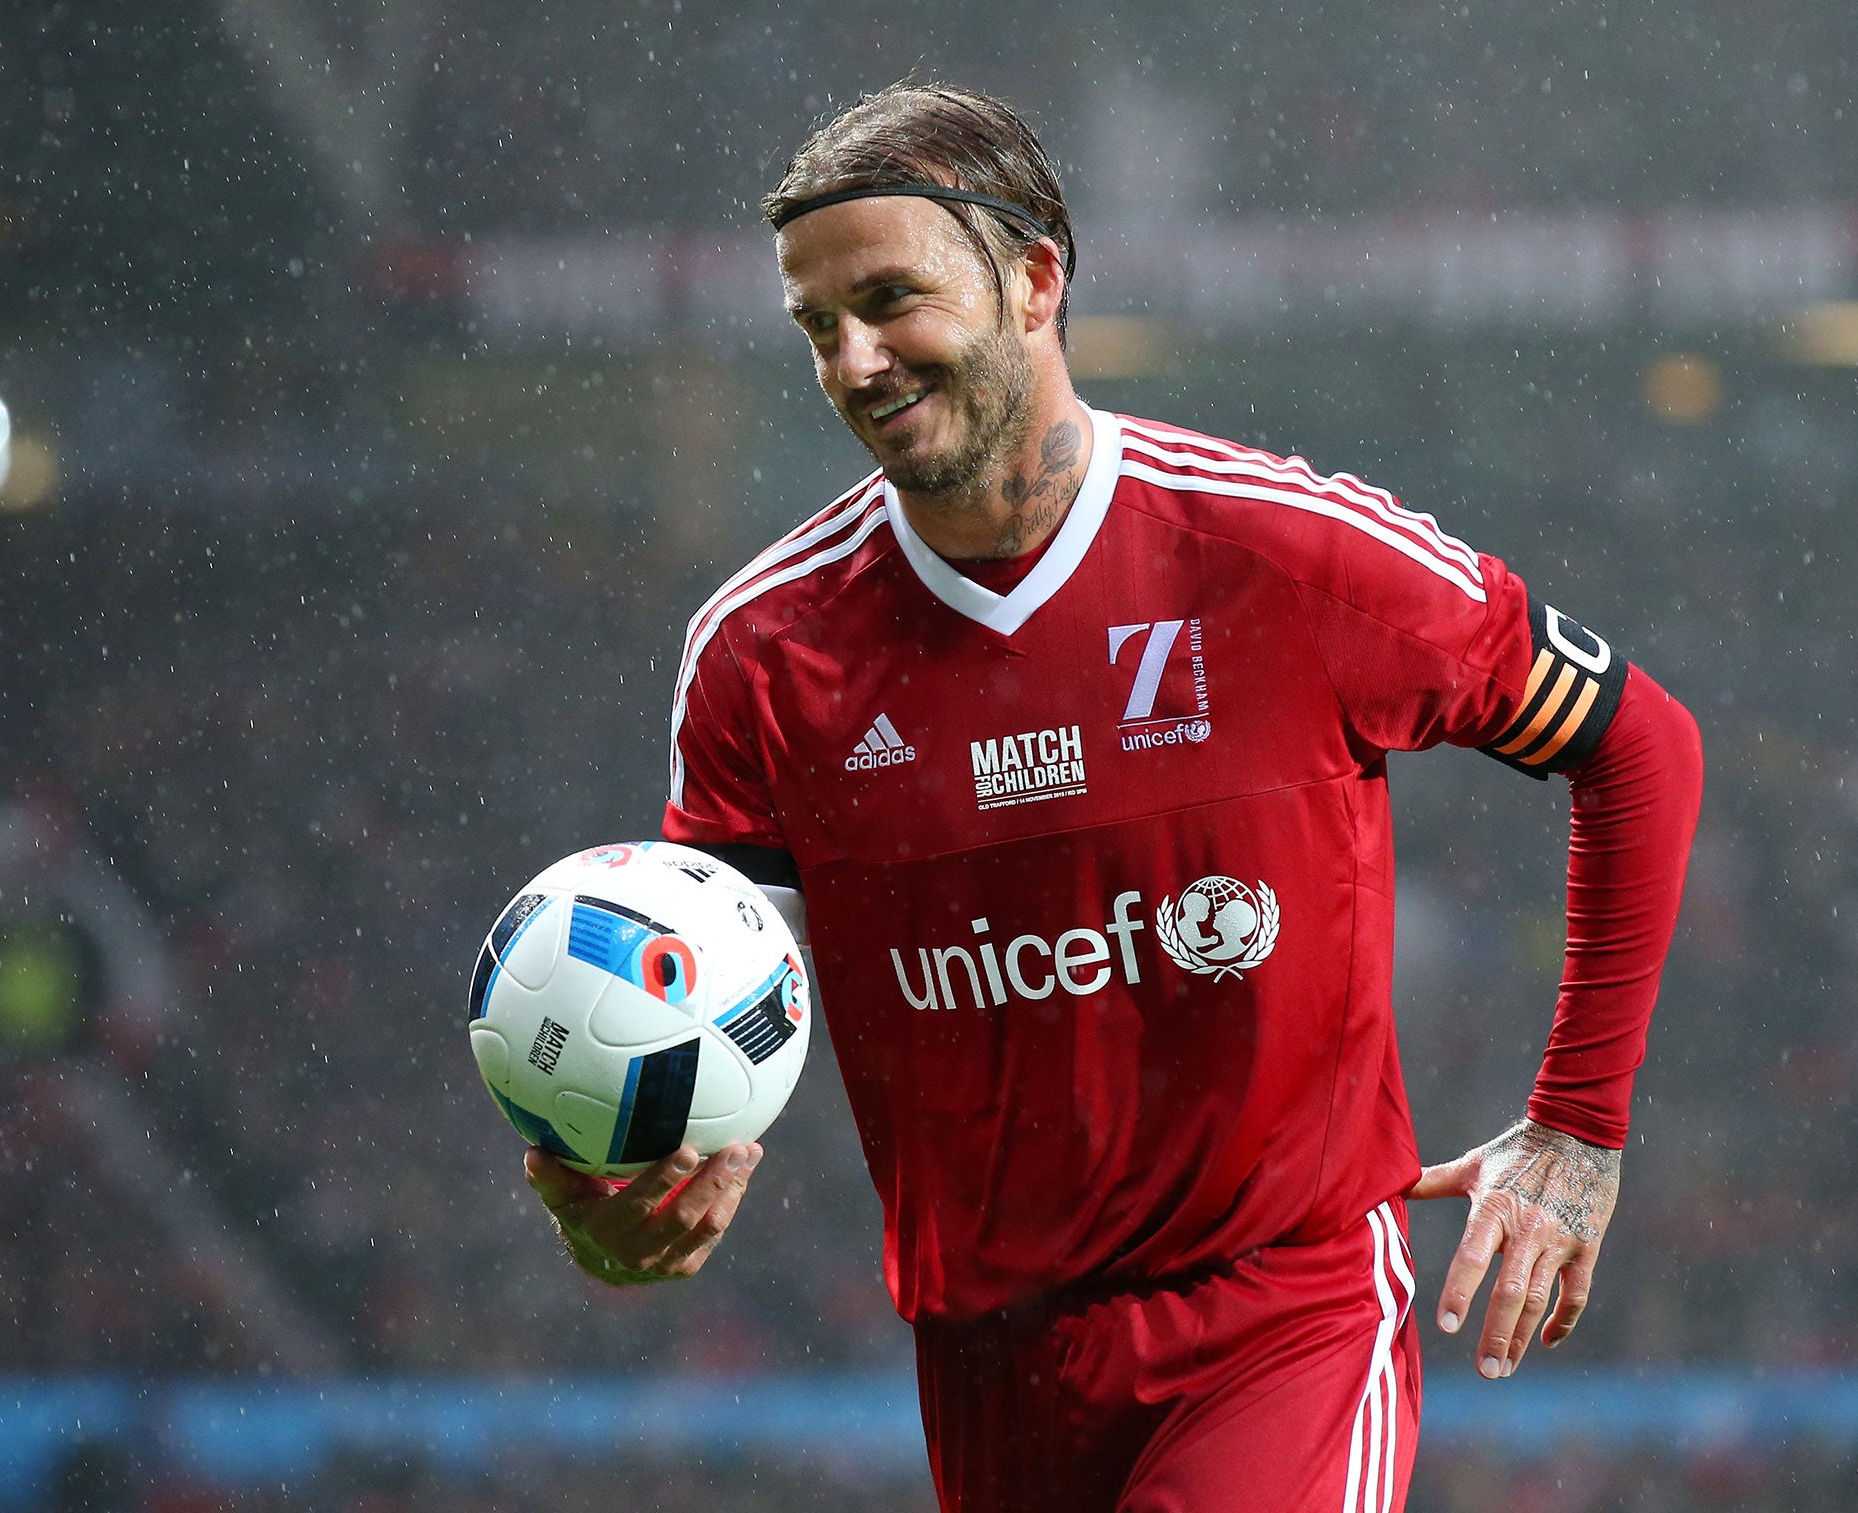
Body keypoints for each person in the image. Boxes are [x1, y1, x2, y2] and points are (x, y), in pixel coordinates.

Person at [525, 82, 1703, 1511]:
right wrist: (636, 1188)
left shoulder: (1284, 553)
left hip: (1282, 1314)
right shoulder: (763, 655)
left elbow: (1639, 743)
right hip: (985, 1362)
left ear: (1034, 279)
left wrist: (1577, 1130)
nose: (855, 359)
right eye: (815, 326)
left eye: (894, 299)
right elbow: (709, 994)